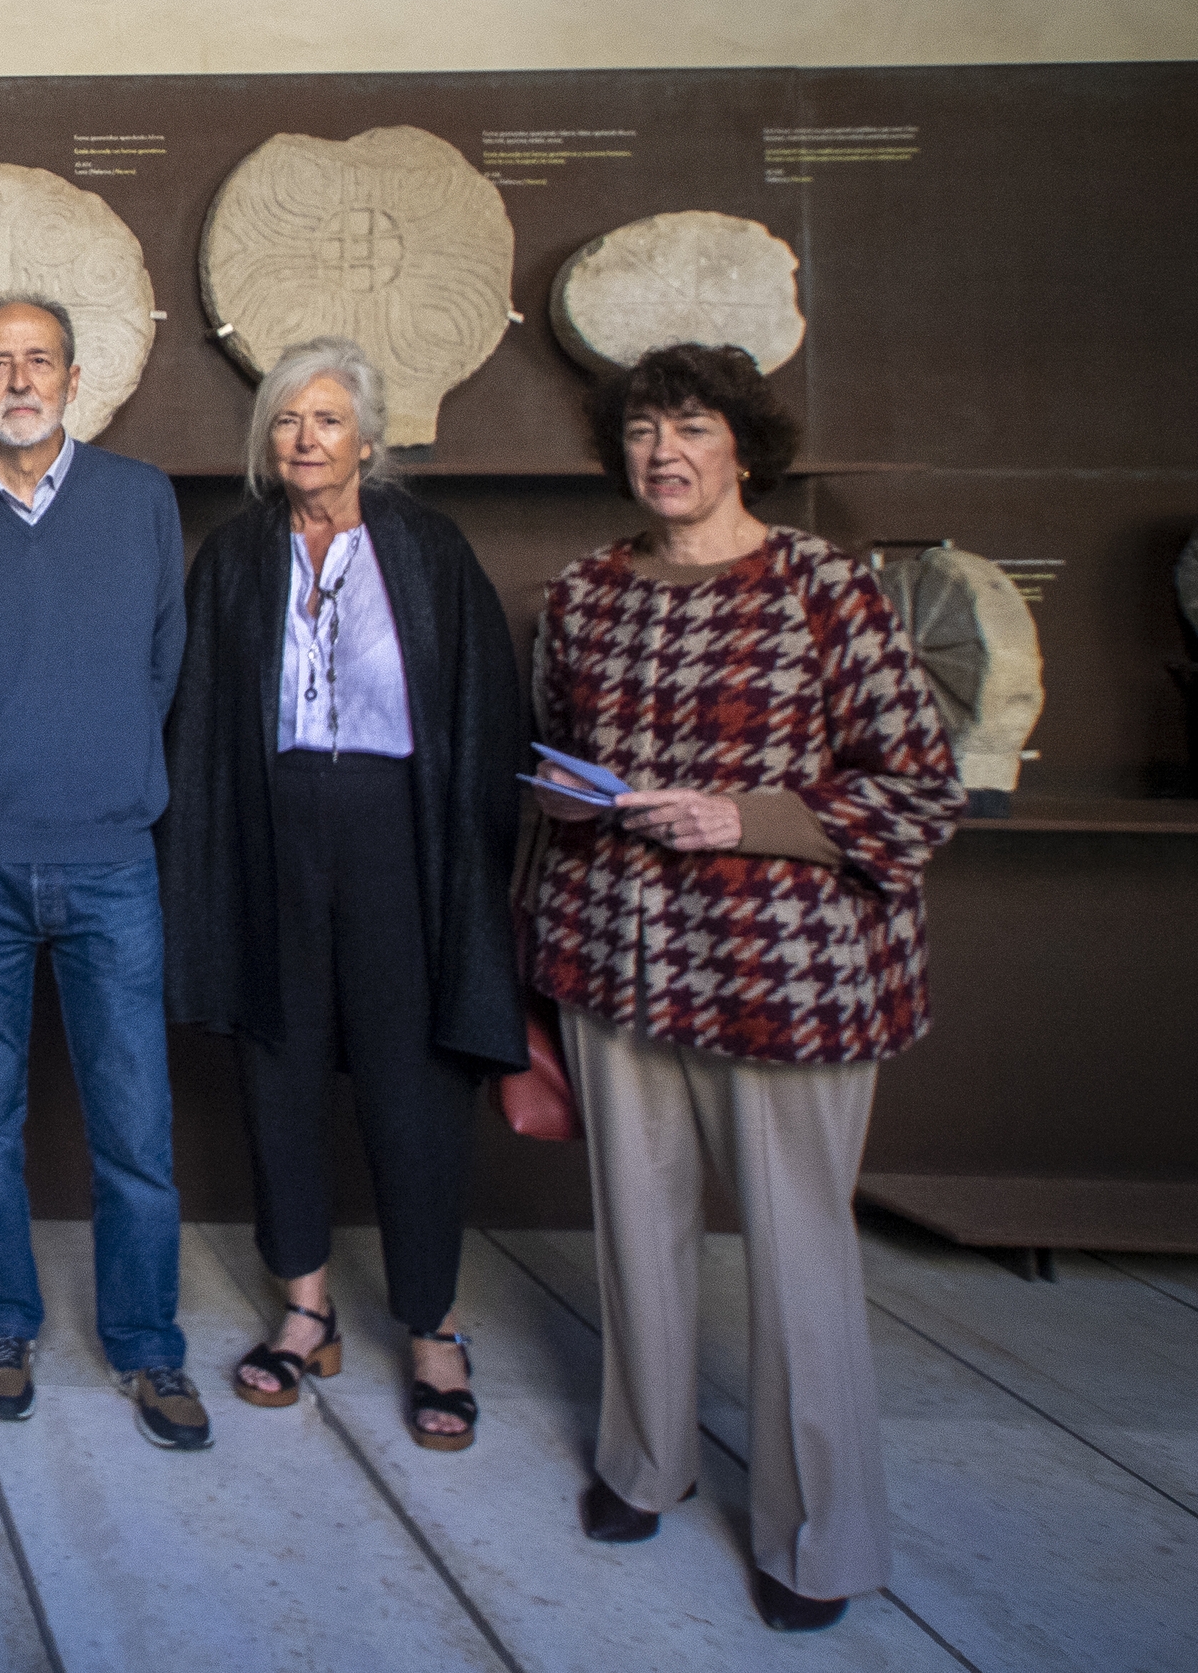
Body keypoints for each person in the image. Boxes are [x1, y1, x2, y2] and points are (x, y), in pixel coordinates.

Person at [527, 343, 960, 1633]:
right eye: (645, 430)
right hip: (620, 957)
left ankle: (817, 1534)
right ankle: (642, 1461)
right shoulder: (587, 591)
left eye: (694, 427)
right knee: (636, 1235)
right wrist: (564, 800)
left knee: (798, 1261)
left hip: (789, 973)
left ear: (743, 448)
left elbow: (921, 786)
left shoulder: (825, 586)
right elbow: (560, 751)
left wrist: (750, 813)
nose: (666, 451)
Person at [156, 338, 524, 1452]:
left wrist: (469, 863)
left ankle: (432, 1324)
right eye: (284, 421)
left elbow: (481, 714)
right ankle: (306, 1308)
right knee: (280, 1065)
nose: (303, 439)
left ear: (369, 438)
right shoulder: (233, 557)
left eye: (325, 420)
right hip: (271, 831)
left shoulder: (427, 550)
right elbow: (201, 727)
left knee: (414, 1085)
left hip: (394, 835)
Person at [0, 296, 209, 1452]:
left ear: (75, 378)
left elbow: (161, 664)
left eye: (38, 360)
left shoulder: (141, 501)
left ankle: (147, 1344)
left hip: (109, 852)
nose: (17, 379)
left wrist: (101, 768)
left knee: (134, 1119)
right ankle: (5, 1324)